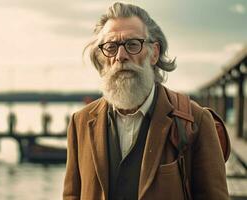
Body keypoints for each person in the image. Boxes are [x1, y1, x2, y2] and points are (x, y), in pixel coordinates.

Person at [63, 2, 229, 200]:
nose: (121, 56)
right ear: (101, 56)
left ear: (154, 53)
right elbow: (72, 195)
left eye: (133, 44)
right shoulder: (79, 122)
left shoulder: (196, 120)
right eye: (111, 47)